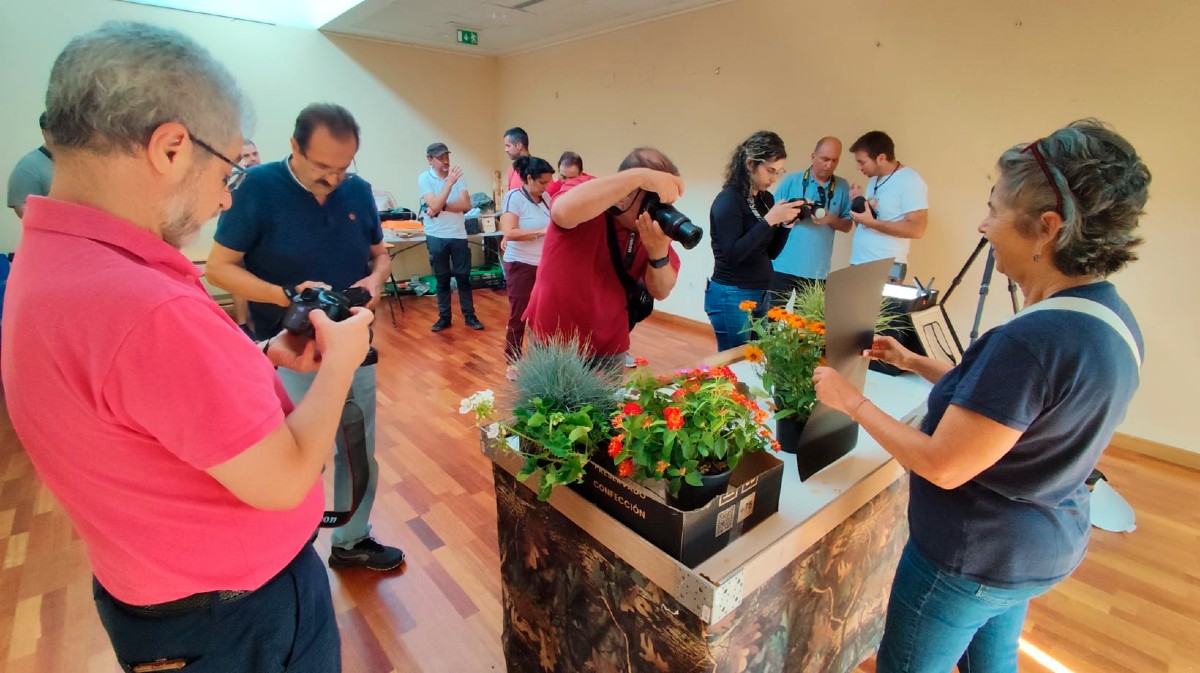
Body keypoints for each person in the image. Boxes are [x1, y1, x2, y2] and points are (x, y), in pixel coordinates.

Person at [2, 21, 372, 671]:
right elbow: (286, 478)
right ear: (173, 148)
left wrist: (255, 357)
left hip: (161, 599)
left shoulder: (56, 262)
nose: (227, 192)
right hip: (238, 616)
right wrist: (342, 359)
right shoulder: (144, 306)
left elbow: (140, 406)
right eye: (228, 166)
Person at [812, 119, 1149, 673]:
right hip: (1038, 547)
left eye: (995, 209)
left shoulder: (1028, 341)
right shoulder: (1109, 317)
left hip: (971, 559)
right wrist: (917, 362)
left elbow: (943, 465)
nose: (983, 225)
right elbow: (1017, 413)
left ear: (1046, 228)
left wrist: (850, 400)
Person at [206, 103, 405, 572]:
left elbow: (380, 256)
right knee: (294, 456)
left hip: (353, 345)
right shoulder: (257, 189)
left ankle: (351, 540)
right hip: (286, 350)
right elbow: (219, 268)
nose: (334, 179)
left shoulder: (356, 192)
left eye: (343, 167)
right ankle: (288, 549)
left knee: (357, 450)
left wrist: (375, 283)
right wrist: (285, 295)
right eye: (322, 167)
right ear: (294, 146)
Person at [525, 147, 684, 372]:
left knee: (608, 408)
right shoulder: (586, 189)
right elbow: (562, 212)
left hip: (608, 345)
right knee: (548, 407)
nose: (657, 211)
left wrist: (658, 252)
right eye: (653, 200)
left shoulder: (646, 231)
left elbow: (661, 290)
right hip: (553, 338)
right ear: (628, 190)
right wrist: (639, 176)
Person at [704, 130, 805, 351]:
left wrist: (786, 225)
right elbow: (733, 255)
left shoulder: (765, 199)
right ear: (750, 164)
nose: (773, 178)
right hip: (731, 294)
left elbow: (770, 253)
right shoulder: (728, 201)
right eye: (770, 170)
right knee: (734, 361)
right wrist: (769, 221)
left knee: (755, 359)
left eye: (778, 172)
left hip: (761, 292)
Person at [770, 136, 852, 301]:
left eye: (835, 161)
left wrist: (829, 219)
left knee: (808, 325)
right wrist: (792, 213)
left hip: (817, 271)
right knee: (770, 320)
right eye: (825, 159)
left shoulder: (843, 186)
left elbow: (847, 225)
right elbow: (770, 215)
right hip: (782, 265)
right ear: (813, 156)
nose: (829, 165)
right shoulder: (791, 181)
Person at [419, 142, 484, 331]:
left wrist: (442, 206)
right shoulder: (424, 178)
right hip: (436, 235)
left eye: (447, 157)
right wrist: (448, 185)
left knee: (464, 277)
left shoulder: (458, 177)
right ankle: (444, 317)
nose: (446, 162)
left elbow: (465, 205)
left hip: (458, 235)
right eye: (440, 158)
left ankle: (470, 316)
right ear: (430, 160)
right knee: (442, 279)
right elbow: (432, 203)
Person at [499, 155, 553, 378]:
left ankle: (540, 358)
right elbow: (509, 233)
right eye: (542, 182)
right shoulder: (514, 198)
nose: (546, 186)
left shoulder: (547, 198)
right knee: (519, 315)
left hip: (544, 266)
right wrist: (541, 232)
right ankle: (513, 360)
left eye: (548, 182)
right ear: (529, 178)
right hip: (520, 264)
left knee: (543, 315)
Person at [847, 131, 928, 280]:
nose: (858, 167)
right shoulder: (874, 180)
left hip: (886, 268)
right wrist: (857, 203)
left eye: (862, 162)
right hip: (859, 262)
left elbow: (917, 229)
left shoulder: (910, 181)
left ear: (881, 158)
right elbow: (864, 224)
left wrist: (873, 223)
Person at [230, 138, 262, 337]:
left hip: (261, 233)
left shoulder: (265, 177)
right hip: (240, 235)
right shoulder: (233, 180)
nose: (252, 159)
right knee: (239, 269)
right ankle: (242, 326)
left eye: (254, 154)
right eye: (245, 156)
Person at [6, 112, 55, 219]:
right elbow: (28, 217)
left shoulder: (78, 161)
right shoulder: (27, 167)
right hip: (51, 233)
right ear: (44, 133)